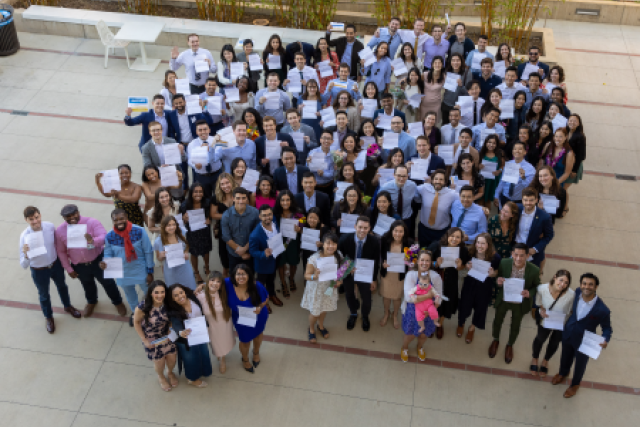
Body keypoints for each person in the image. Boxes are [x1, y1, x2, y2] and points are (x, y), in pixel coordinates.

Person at [55, 204, 126, 318]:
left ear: (78, 212)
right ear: (64, 218)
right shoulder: (60, 230)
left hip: (98, 259)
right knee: (87, 284)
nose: (71, 218)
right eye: (67, 216)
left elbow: (104, 237)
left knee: (108, 283)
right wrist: (68, 268)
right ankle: (92, 301)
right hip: (79, 265)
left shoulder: (92, 222)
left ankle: (118, 302)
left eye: (73, 214)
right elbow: (61, 251)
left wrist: (92, 241)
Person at [20, 206, 81, 333]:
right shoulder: (24, 237)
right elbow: (23, 265)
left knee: (62, 286)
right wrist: (25, 254)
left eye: (36, 217)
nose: (35, 221)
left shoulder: (50, 227)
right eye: (31, 219)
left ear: (40, 215)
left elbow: (58, 245)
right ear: (26, 220)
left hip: (55, 265)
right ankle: (49, 317)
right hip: (39, 270)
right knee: (44, 295)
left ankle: (68, 306)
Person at [551, 273, 612, 398]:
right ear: (580, 285)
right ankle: (563, 373)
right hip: (568, 333)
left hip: (585, 341)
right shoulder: (578, 292)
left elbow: (607, 328)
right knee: (565, 356)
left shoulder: (602, 310)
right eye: (584, 283)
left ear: (596, 287)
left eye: (591, 284)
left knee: (580, 364)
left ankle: (575, 385)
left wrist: (605, 339)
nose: (587, 287)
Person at [489, 243, 540, 364]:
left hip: (520, 302)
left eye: (522, 256)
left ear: (527, 256)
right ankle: (495, 339)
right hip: (504, 299)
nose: (518, 258)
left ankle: (510, 345)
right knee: (497, 320)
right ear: (512, 254)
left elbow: (537, 285)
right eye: (516, 255)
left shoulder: (534, 270)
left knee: (515, 325)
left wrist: (530, 292)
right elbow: (499, 277)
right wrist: (498, 281)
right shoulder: (504, 263)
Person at [102, 209, 154, 326]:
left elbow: (148, 251)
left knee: (148, 292)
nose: (119, 221)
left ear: (127, 218)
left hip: (140, 269)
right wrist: (105, 262)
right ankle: (135, 313)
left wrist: (150, 271)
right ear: (112, 221)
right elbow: (108, 253)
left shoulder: (139, 231)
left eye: (121, 218)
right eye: (116, 220)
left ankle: (149, 311)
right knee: (130, 295)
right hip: (122, 272)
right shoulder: (110, 236)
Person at [132, 281, 177, 392]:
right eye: (156, 292)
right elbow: (136, 322)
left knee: (172, 359)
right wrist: (144, 339)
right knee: (159, 363)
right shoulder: (142, 307)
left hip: (167, 336)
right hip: (153, 340)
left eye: (162, 292)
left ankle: (170, 373)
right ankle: (161, 377)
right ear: (151, 293)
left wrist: (171, 329)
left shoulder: (168, 304)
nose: (160, 295)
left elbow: (171, 318)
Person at [224, 264, 270, 373]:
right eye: (238, 274)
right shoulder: (228, 283)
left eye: (243, 274)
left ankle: (256, 353)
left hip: (258, 316)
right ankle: (245, 359)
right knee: (244, 340)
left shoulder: (256, 285)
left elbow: (266, 298)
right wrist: (201, 286)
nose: (241, 277)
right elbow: (213, 282)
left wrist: (260, 306)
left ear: (249, 275)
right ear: (233, 276)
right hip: (241, 320)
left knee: (258, 334)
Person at [400, 249, 443, 362]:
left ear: (431, 262)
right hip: (412, 312)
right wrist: (429, 295)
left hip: (429, 312)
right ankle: (404, 348)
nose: (424, 263)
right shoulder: (410, 275)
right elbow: (409, 298)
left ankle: (419, 347)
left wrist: (432, 310)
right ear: (417, 261)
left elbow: (439, 297)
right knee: (410, 335)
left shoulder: (436, 277)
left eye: (427, 260)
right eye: (422, 260)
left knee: (423, 335)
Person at [457, 233, 501, 343]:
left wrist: (492, 274)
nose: (479, 245)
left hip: (484, 286)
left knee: (480, 308)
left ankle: (471, 328)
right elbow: (464, 264)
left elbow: (497, 272)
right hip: (470, 283)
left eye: (483, 243)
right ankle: (461, 323)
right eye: (478, 242)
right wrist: (467, 265)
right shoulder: (470, 252)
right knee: (464, 304)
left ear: (488, 245)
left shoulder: (495, 257)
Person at [301, 232, 344, 343]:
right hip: (316, 289)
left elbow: (340, 272)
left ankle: (321, 326)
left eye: (334, 243)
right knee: (315, 312)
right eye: (328, 243)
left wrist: (340, 281)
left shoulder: (338, 255)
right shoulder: (314, 258)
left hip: (329, 288)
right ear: (322, 244)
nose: (331, 246)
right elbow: (306, 275)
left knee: (324, 309)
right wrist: (314, 276)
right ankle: (311, 329)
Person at [338, 216, 380, 331]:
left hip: (365, 274)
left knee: (366, 298)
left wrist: (374, 279)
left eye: (365, 228)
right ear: (355, 226)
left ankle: (365, 316)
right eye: (360, 227)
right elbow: (339, 258)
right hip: (348, 271)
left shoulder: (375, 241)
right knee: (349, 294)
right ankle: (353, 314)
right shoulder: (344, 239)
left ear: (369, 228)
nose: (362, 230)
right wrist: (347, 268)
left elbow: (376, 262)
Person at [530, 270, 574, 378]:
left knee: (554, 343)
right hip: (546, 320)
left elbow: (570, 311)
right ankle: (535, 358)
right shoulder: (542, 288)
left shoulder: (571, 295)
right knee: (540, 339)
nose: (563, 284)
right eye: (561, 280)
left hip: (561, 323)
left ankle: (546, 360)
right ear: (555, 277)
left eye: (566, 282)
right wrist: (542, 310)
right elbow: (539, 302)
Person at [167, 284, 212, 388]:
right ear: (172, 299)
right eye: (176, 295)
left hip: (200, 334)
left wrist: (204, 285)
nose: (180, 296)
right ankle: (192, 379)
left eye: (181, 292)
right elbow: (175, 323)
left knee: (203, 353)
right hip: (186, 339)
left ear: (185, 292)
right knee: (191, 359)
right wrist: (180, 332)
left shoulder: (193, 297)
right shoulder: (173, 310)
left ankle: (203, 371)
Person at [428, 227, 470, 338]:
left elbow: (461, 268)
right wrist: (435, 263)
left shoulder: (463, 250)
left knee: (446, 304)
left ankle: (440, 324)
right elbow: (425, 262)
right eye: (452, 236)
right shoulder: (436, 245)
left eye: (458, 237)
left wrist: (460, 265)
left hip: (451, 280)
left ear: (461, 239)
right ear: (447, 236)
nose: (454, 239)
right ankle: (431, 324)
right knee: (433, 303)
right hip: (436, 279)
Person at [196, 271, 235, 374]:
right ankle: (220, 358)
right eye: (212, 280)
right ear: (208, 281)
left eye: (218, 281)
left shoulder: (224, 293)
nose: (215, 283)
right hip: (211, 326)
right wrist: (202, 285)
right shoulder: (200, 296)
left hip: (225, 323)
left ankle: (222, 359)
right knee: (216, 345)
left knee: (224, 342)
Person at [379, 220, 413, 329]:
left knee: (397, 297)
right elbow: (379, 255)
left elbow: (413, 263)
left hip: (400, 276)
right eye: (395, 231)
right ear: (391, 231)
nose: (398, 234)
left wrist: (408, 261)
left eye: (401, 231)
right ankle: (386, 313)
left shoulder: (409, 243)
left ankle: (395, 315)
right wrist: (382, 263)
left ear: (404, 232)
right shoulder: (384, 240)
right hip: (387, 274)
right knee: (386, 296)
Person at [249, 205, 283, 309]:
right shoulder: (255, 235)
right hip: (262, 264)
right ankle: (263, 300)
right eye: (264, 216)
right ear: (260, 217)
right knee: (261, 284)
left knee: (271, 280)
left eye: (269, 214)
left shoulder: (275, 222)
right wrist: (263, 254)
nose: (267, 217)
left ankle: (272, 295)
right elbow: (252, 252)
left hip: (274, 259)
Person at [141, 121, 185, 199]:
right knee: (163, 201)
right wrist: (160, 168)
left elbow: (183, 159)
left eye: (158, 130)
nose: (156, 132)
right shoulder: (146, 148)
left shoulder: (172, 141)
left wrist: (181, 152)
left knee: (178, 198)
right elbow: (147, 166)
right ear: (150, 132)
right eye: (153, 130)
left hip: (174, 175)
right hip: (158, 179)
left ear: (162, 131)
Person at [415, 169, 458, 248]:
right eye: (436, 179)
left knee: (437, 255)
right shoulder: (424, 188)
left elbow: (465, 200)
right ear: (432, 180)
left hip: (441, 232)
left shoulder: (452, 194)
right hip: (424, 230)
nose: (438, 181)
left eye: (441, 179)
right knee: (423, 252)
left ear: (445, 182)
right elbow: (412, 189)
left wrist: (481, 208)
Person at [221, 187, 260, 274]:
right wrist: (240, 251)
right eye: (238, 198)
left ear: (247, 198)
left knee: (250, 277)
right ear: (233, 198)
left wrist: (245, 248)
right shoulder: (226, 215)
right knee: (234, 277)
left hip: (250, 252)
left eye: (243, 198)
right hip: (233, 253)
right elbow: (226, 237)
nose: (241, 201)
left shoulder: (255, 213)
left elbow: (256, 234)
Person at [180, 182, 213, 283]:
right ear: (191, 193)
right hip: (192, 233)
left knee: (206, 251)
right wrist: (184, 218)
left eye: (200, 192)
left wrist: (209, 219)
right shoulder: (185, 205)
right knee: (193, 253)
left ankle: (207, 267)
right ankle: (196, 272)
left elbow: (211, 215)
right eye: (195, 192)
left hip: (204, 231)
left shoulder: (207, 203)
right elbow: (180, 221)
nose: (198, 194)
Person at [514, 188, 554, 269]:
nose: (528, 203)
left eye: (531, 200)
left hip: (532, 254)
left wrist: (535, 249)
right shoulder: (516, 209)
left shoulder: (545, 217)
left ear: (536, 200)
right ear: (522, 200)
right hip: (514, 249)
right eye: (526, 200)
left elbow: (549, 235)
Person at [155, 216, 197, 290]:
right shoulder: (158, 241)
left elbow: (186, 246)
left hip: (185, 268)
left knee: (190, 288)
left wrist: (186, 253)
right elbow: (159, 258)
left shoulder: (181, 233)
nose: (172, 227)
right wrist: (161, 256)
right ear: (163, 227)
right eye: (169, 225)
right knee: (174, 291)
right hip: (171, 272)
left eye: (174, 224)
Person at [273, 190, 303, 297]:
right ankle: (283, 284)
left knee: (293, 262)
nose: (285, 202)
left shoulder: (299, 212)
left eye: (287, 200)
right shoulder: (275, 213)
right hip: (279, 241)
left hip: (293, 242)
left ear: (291, 200)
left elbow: (303, 228)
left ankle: (291, 280)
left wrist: (299, 229)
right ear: (279, 201)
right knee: (281, 263)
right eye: (282, 200)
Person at [187, 120, 223, 198]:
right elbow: (189, 160)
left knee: (220, 197)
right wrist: (194, 165)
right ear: (196, 132)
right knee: (205, 199)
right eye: (200, 130)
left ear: (209, 130)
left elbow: (217, 157)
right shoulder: (192, 144)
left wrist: (211, 147)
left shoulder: (217, 140)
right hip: (201, 176)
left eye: (205, 129)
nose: (203, 132)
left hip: (217, 174)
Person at [494, 141, 536, 207]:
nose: (517, 151)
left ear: (525, 152)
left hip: (518, 202)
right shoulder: (508, 164)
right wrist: (496, 195)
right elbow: (502, 182)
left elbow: (529, 187)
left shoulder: (530, 169)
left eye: (520, 149)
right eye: (515, 149)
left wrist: (523, 178)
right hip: (504, 198)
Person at [380, 165, 418, 236]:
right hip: (391, 219)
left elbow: (417, 199)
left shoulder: (412, 186)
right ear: (394, 175)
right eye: (399, 175)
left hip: (407, 219)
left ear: (407, 176)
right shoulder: (385, 187)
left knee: (407, 241)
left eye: (404, 176)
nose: (401, 179)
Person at [211, 173, 236, 277]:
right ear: (219, 186)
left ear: (232, 182)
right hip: (224, 230)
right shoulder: (216, 197)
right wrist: (228, 216)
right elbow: (213, 214)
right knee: (224, 254)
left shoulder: (238, 194)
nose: (225, 186)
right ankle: (226, 276)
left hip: (237, 228)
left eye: (227, 183)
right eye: (222, 184)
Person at [441, 53, 471, 125]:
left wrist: (461, 86)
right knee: (446, 125)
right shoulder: (446, 72)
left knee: (458, 126)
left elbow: (469, 92)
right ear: (450, 62)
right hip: (446, 104)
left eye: (457, 60)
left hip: (459, 106)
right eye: (453, 60)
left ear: (461, 61)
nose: (455, 62)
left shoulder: (467, 73)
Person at [306, 131, 337, 200]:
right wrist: (308, 163)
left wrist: (323, 174)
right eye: (324, 138)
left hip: (329, 185)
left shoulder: (334, 154)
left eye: (329, 139)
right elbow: (308, 170)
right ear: (320, 140)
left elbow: (333, 173)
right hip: (316, 186)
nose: (326, 141)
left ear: (332, 141)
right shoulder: (313, 152)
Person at [479, 134, 504, 208]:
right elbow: (475, 166)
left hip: (492, 181)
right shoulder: (481, 153)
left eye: (494, 143)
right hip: (482, 180)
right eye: (489, 142)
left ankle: (486, 219)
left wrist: (499, 170)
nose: (491, 145)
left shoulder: (500, 153)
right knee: (480, 200)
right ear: (486, 143)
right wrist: (478, 166)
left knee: (488, 201)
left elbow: (502, 165)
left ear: (496, 144)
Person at [564, 114, 586, 195]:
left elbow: (581, 155)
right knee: (562, 188)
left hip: (574, 166)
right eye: (570, 120)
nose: (572, 122)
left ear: (579, 123)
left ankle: (565, 208)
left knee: (564, 188)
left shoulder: (580, 136)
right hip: (566, 164)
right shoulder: (566, 132)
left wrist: (574, 170)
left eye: (575, 121)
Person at [420, 56, 445, 124]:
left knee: (433, 125)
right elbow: (414, 80)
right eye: (435, 63)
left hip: (436, 106)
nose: (437, 65)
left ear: (442, 65)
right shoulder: (425, 75)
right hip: (424, 105)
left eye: (439, 63)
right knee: (423, 124)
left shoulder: (444, 77)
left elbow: (451, 87)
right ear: (432, 65)